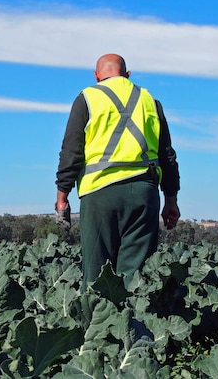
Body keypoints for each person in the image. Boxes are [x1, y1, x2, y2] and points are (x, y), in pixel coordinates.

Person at [55, 53, 180, 289]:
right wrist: (171, 200)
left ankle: (96, 325)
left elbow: (71, 150)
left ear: (96, 76)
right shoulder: (149, 100)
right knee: (136, 278)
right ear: (128, 75)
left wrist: (62, 195)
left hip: (99, 193)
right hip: (144, 193)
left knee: (96, 276)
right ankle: (134, 324)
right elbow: (167, 155)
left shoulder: (88, 98)